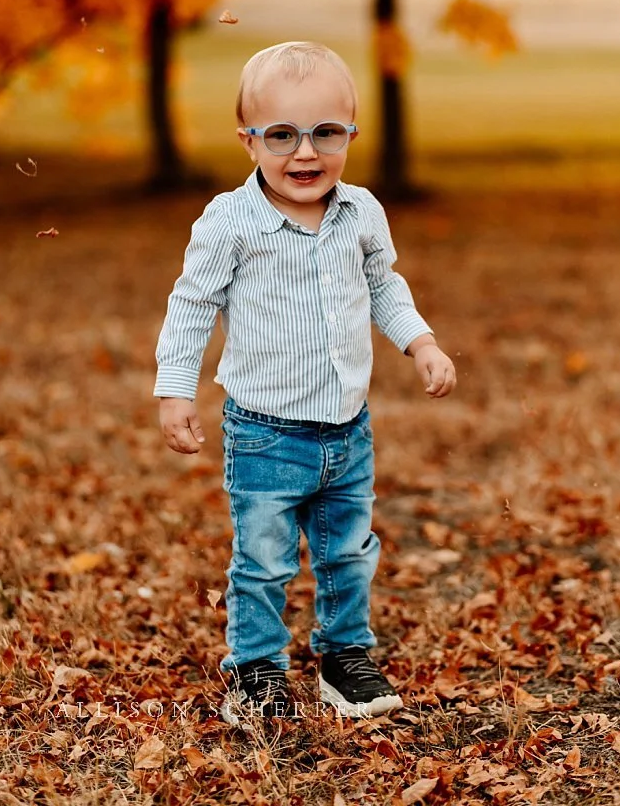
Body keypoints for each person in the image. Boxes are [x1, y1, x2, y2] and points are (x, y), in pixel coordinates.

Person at [153, 41, 457, 728]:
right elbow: (192, 305)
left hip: (348, 431)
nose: (305, 153)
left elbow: (384, 286)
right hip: (264, 433)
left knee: (348, 552)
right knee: (261, 560)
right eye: (281, 135)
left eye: (325, 133)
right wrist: (177, 390)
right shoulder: (231, 222)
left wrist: (422, 342)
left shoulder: (361, 213)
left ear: (350, 134)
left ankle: (345, 656)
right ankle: (256, 667)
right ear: (248, 140)